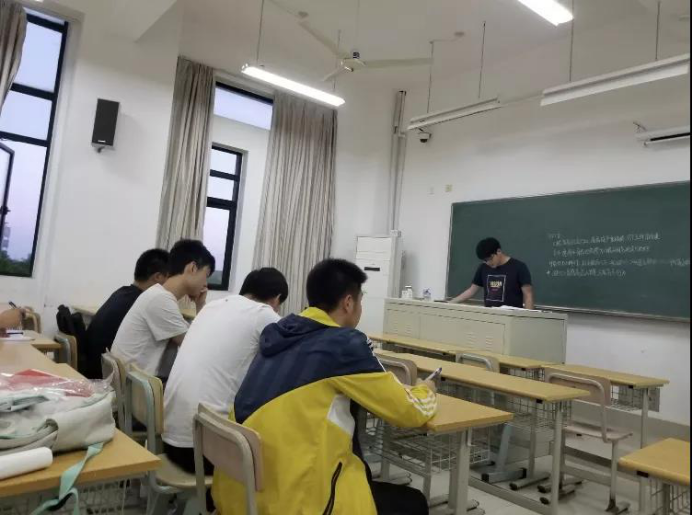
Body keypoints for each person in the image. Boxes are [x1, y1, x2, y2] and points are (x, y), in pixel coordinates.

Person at [213, 259, 437, 516]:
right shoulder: (344, 344)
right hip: (293, 503)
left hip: (239, 496)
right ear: (349, 303)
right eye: (361, 300)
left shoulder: (279, 333)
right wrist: (426, 388)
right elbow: (408, 411)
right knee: (414, 503)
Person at [162, 267, 289, 475]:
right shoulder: (263, 314)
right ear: (276, 299)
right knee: (281, 451)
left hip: (169, 440)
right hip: (204, 453)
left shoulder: (212, 306)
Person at [111, 240, 214, 379]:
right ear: (193, 268)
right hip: (134, 387)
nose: (205, 284)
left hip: (132, 381)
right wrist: (200, 306)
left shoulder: (158, 294)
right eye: (206, 275)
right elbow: (196, 347)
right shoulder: (160, 299)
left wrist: (199, 305)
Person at [84, 249, 170, 379]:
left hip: (90, 367)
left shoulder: (122, 292)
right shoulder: (145, 302)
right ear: (158, 277)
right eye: (170, 277)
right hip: (103, 378)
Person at [452, 237, 534, 309]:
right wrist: (450, 303)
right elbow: (471, 291)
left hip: (511, 317)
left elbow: (528, 296)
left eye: (490, 259)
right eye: (485, 260)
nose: (488, 263)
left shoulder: (519, 267)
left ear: (498, 251)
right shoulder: (483, 268)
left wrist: (528, 318)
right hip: (490, 316)